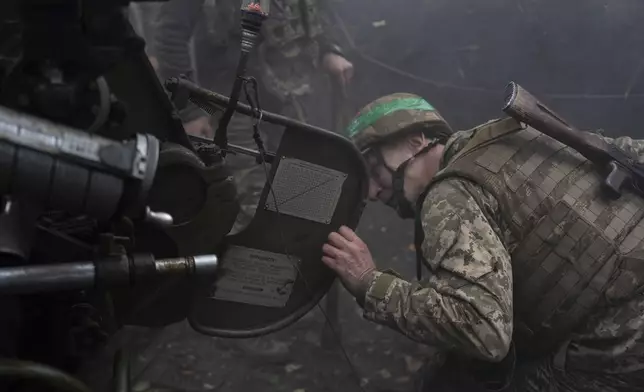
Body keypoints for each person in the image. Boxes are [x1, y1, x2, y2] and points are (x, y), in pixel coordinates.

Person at [322, 92, 644, 391]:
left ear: (415, 141)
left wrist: (370, 284)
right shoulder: (512, 137)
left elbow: (482, 330)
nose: (373, 192)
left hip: (623, 342)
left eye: (375, 169)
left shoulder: (448, 195)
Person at [153, 0, 353, 234]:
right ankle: (243, 265)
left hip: (289, 95)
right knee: (250, 203)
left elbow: (310, 12)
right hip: (226, 100)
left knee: (305, 194)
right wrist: (191, 109)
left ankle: (296, 262)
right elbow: (169, 35)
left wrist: (329, 49)